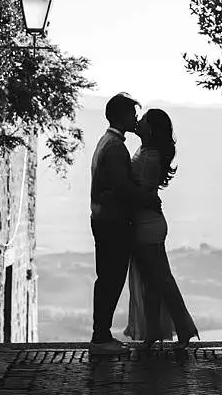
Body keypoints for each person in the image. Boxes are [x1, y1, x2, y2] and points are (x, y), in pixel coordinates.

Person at [89, 93, 162, 355]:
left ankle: (101, 334)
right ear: (121, 115)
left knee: (106, 277)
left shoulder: (106, 142)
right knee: (111, 278)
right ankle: (101, 337)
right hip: (112, 223)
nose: (135, 118)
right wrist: (148, 199)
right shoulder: (116, 147)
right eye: (132, 113)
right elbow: (122, 188)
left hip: (102, 219)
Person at [121, 108, 200, 349]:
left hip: (148, 225)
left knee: (161, 279)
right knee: (153, 280)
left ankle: (182, 327)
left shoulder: (149, 156)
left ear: (151, 128)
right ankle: (153, 332)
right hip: (148, 223)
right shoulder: (146, 151)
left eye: (144, 119)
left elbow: (141, 192)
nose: (139, 121)